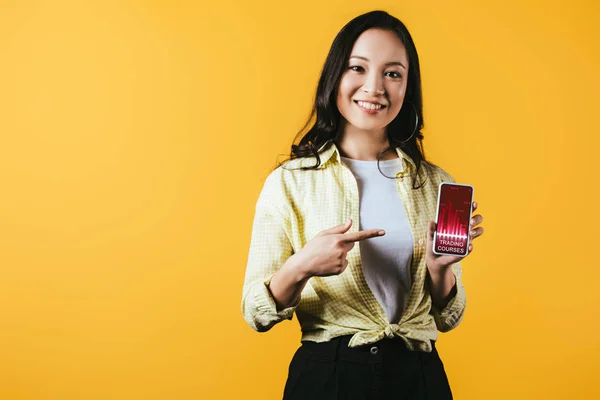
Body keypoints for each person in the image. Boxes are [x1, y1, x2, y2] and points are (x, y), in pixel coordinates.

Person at [241, 10, 484, 400]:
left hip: (418, 377)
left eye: (393, 73)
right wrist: (303, 265)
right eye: (358, 68)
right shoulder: (289, 182)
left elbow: (448, 317)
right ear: (335, 76)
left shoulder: (436, 183)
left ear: (408, 88)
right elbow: (256, 312)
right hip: (329, 377)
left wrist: (441, 270)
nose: (374, 88)